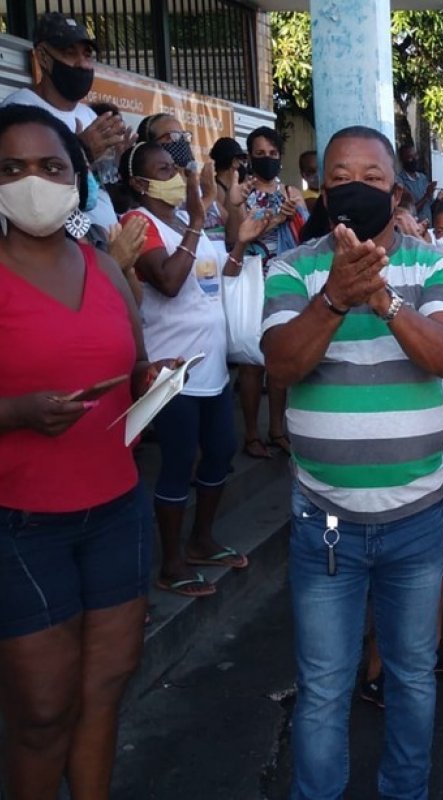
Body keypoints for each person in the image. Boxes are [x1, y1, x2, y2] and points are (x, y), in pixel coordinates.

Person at [261, 125, 443, 800]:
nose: (356, 188)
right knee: (324, 682)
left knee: (411, 674)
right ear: (323, 192)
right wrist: (334, 299)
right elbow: (282, 365)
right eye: (341, 178)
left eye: (373, 178)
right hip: (326, 518)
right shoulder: (291, 269)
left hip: (417, 514)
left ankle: (406, 791)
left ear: (397, 191)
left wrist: (383, 302)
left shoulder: (433, 264)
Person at [0, 104, 166, 800]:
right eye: (11, 169)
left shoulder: (104, 267)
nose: (32, 182)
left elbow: (136, 366)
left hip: (117, 510)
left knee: (105, 688)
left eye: (50, 167)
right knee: (42, 712)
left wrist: (155, 381)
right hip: (20, 523)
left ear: (77, 180)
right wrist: (18, 413)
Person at [120, 142, 266, 598]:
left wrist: (240, 242)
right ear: (140, 183)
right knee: (179, 461)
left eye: (177, 168)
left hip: (211, 365)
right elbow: (167, 280)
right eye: (164, 170)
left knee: (220, 451)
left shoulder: (186, 220)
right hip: (172, 370)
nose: (178, 177)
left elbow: (219, 277)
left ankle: (202, 540)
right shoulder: (138, 224)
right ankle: (171, 562)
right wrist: (199, 221)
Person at [1, 13, 134, 230]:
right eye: (69, 53)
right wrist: (81, 150)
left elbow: (104, 194)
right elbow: (33, 195)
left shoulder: (89, 116)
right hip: (58, 241)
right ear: (42, 56)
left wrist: (120, 164)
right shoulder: (20, 112)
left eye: (87, 54)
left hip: (103, 241)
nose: (82, 64)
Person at [226, 126, 307, 459]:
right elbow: (235, 238)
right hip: (253, 281)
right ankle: (250, 434)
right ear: (250, 156)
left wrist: (296, 212)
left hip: (284, 281)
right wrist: (272, 219)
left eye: (273, 154)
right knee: (251, 364)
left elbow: (308, 235)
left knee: (279, 359)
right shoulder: (241, 195)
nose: (268, 159)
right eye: (260, 154)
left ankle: (276, 429)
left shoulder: (291, 192)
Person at [205, 136, 248, 239]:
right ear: (234, 161)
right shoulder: (218, 192)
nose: (242, 165)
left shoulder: (214, 188)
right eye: (241, 160)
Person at [398, 143, 436, 222]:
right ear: (402, 160)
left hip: (428, 225)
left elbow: (430, 204)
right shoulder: (400, 180)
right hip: (413, 227)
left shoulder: (422, 178)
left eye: (415, 156)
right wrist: (426, 195)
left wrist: (439, 198)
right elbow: (410, 212)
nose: (414, 159)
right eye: (410, 157)